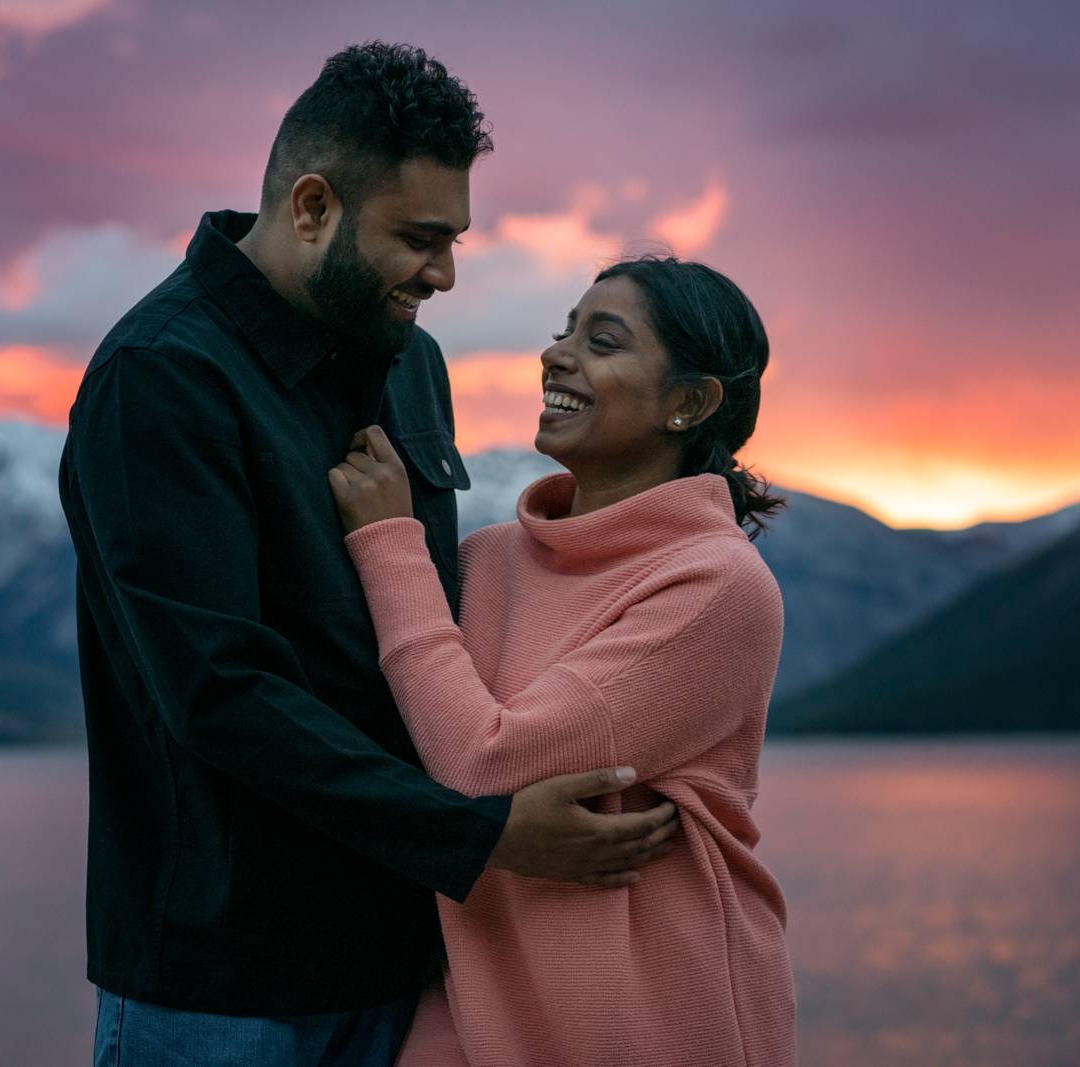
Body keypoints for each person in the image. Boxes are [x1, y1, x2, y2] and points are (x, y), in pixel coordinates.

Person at [57, 42, 680, 1066]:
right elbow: (219, 692)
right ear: (311, 207)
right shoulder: (158, 378)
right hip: (223, 988)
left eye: (454, 240)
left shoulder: (412, 363)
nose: (442, 272)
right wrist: (480, 836)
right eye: (420, 238)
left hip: (404, 969)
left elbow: (429, 629)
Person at [330, 257, 798, 1065]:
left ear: (689, 402)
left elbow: (485, 760)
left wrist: (388, 542)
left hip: (654, 1021)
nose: (558, 354)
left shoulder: (718, 586)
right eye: (563, 331)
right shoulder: (487, 561)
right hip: (471, 1006)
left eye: (604, 341)